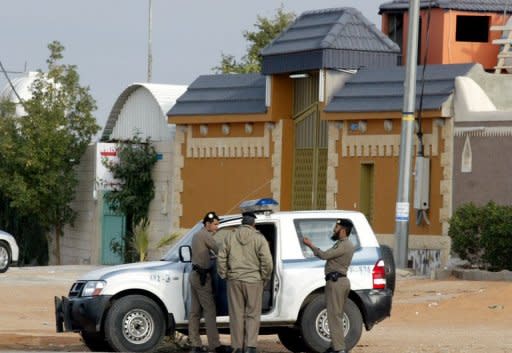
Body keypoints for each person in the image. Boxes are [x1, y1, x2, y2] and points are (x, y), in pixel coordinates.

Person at [217, 212, 273, 353]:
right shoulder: (259, 238)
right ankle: (250, 346)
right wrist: (264, 277)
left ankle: (236, 347)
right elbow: (267, 262)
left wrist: (224, 274)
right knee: (252, 314)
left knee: (236, 315)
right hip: (254, 280)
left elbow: (221, 257)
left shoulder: (230, 236)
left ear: (242, 222)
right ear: (253, 224)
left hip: (234, 280)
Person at [302, 219, 355, 353]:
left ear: (343, 230)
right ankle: (336, 346)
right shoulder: (343, 244)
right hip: (338, 282)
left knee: (334, 316)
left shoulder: (344, 245)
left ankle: (339, 349)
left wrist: (310, 245)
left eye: (336, 227)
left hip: (337, 282)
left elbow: (325, 255)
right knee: (336, 315)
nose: (334, 230)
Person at [188, 211, 230, 353]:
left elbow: (205, 254)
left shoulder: (197, 235)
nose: (217, 227)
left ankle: (195, 345)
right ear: (208, 224)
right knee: (210, 311)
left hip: (194, 274)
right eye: (215, 224)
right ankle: (215, 345)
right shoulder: (206, 236)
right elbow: (219, 250)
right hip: (202, 277)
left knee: (194, 311)